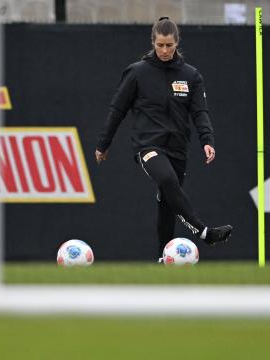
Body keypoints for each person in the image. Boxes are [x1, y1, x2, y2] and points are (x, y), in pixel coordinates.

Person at [95, 17, 232, 259]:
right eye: (160, 45)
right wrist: (103, 144)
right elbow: (117, 109)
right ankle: (204, 232)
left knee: (167, 203)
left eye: (169, 45)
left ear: (177, 43)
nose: (165, 50)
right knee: (168, 180)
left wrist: (207, 140)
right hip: (148, 145)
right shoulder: (137, 72)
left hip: (178, 149)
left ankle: (163, 258)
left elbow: (200, 112)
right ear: (153, 43)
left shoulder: (191, 75)